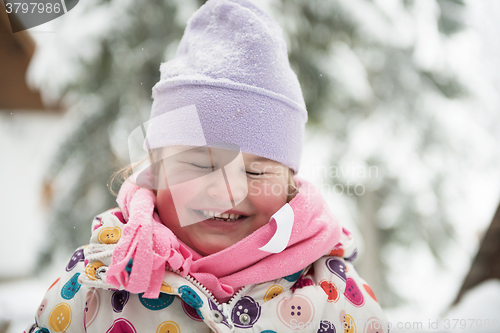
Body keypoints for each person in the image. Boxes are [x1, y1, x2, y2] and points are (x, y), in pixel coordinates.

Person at [27, 0, 388, 332]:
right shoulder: (101, 278)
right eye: (200, 165)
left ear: (290, 184)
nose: (226, 190)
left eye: (256, 171)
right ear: (157, 170)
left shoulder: (332, 291)